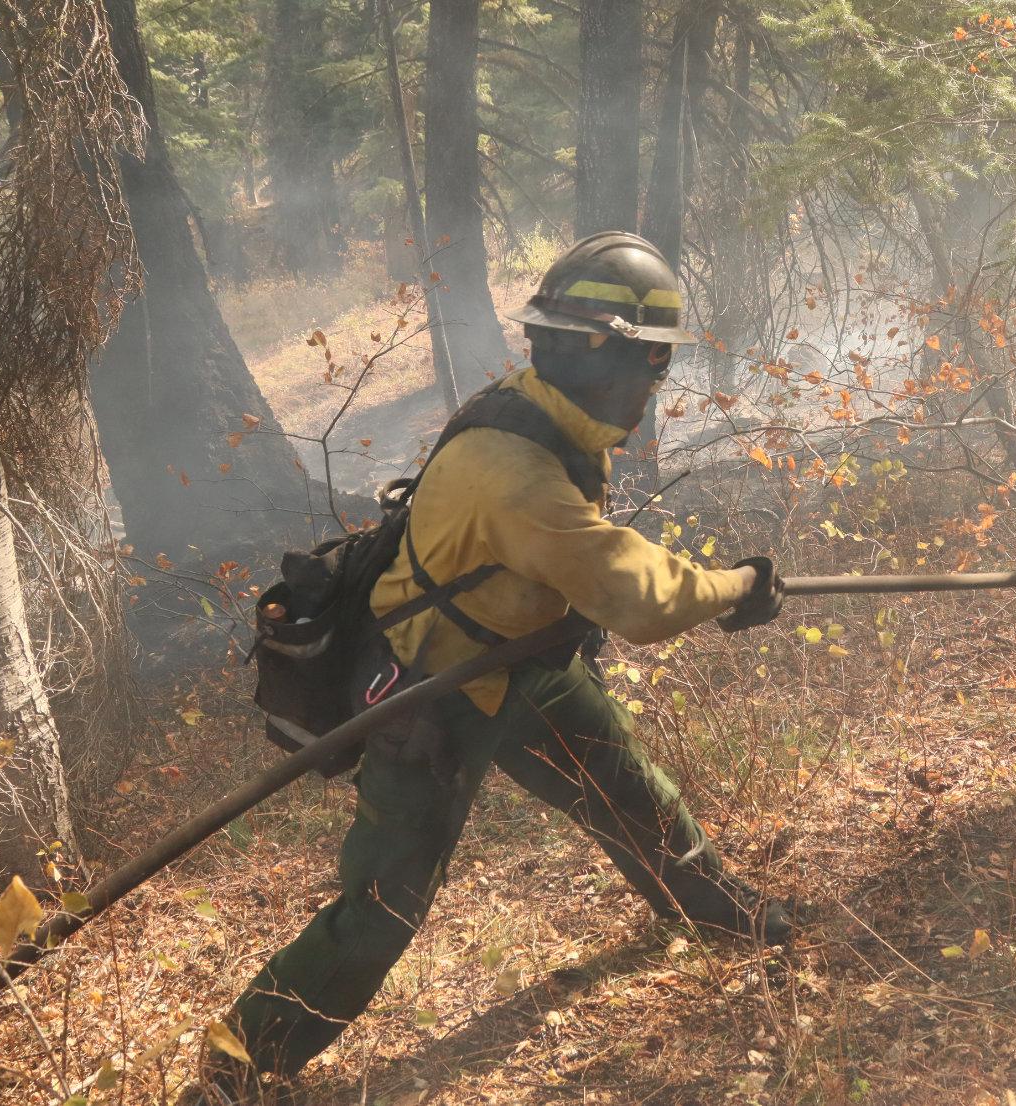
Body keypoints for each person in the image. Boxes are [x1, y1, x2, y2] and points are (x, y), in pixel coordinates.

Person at [187, 232, 788, 1104]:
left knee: (626, 788)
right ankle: (237, 1066)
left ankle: (714, 908)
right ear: (599, 353)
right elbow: (639, 596)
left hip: (526, 662)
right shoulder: (512, 469)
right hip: (433, 698)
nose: (655, 383)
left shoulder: (546, 410)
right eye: (649, 361)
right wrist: (738, 585)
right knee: (384, 906)